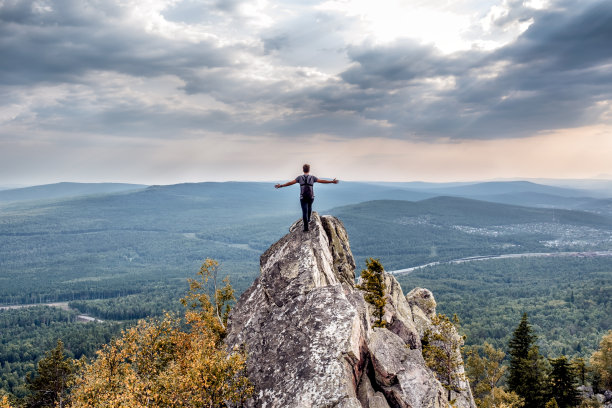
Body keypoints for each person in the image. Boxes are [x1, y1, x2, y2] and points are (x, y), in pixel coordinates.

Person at [275, 164, 339, 232]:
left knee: (304, 212)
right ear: (309, 170)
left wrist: (281, 185)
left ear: (303, 170)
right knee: (310, 206)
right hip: (311, 196)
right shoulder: (312, 177)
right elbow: (322, 181)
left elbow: (290, 183)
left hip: (303, 197)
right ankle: (308, 219)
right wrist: (332, 181)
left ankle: (306, 228)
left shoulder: (299, 178)